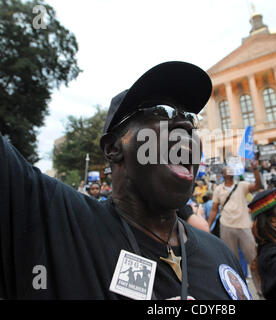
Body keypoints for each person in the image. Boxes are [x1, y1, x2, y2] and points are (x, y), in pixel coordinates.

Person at [0, 61, 247, 300]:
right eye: (161, 111)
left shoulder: (222, 256)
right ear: (113, 148)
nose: (184, 123)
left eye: (190, 118)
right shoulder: (54, 224)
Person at [207, 160, 263, 297]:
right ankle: (239, 294)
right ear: (223, 174)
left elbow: (258, 186)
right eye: (227, 170)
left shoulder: (242, 186)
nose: (230, 171)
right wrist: (207, 227)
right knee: (231, 262)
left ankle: (261, 291)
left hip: (244, 226)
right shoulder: (218, 190)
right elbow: (214, 210)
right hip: (226, 227)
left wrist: (255, 170)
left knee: (254, 260)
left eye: (232, 170)